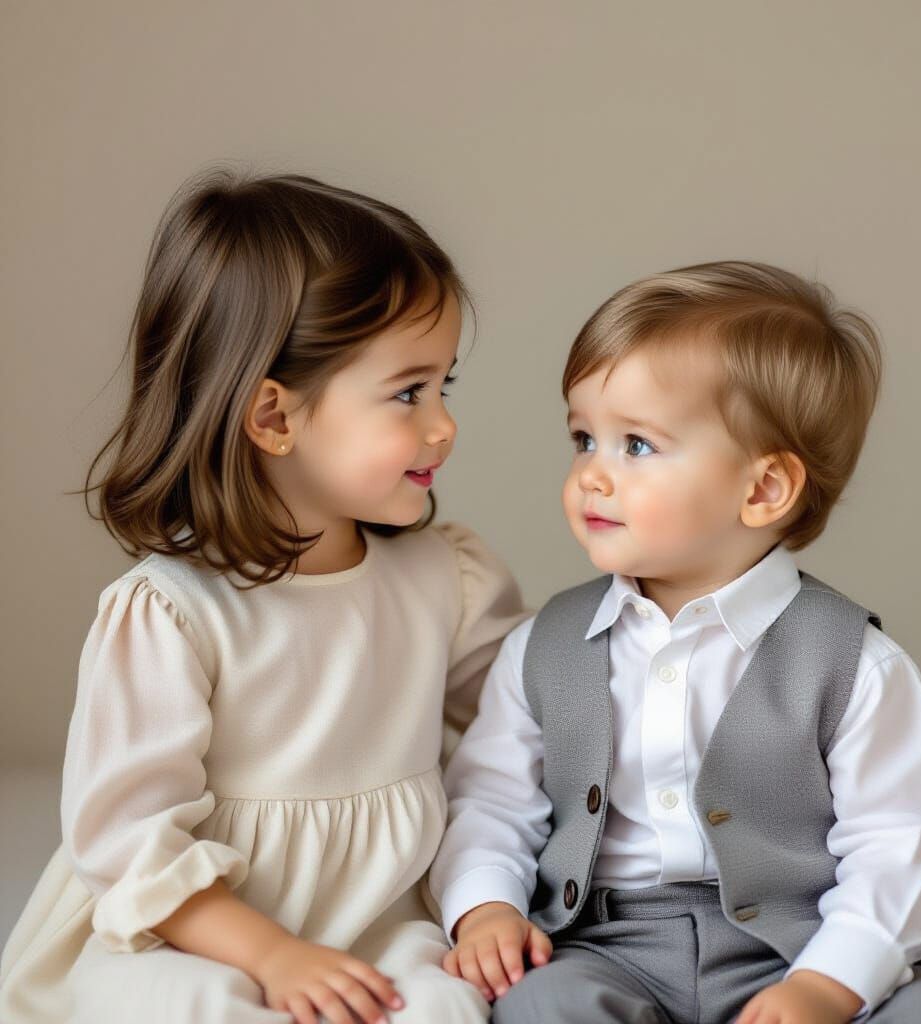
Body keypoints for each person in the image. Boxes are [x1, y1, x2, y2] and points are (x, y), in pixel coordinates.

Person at [0, 170, 528, 1024]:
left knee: (442, 1007)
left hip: (380, 918)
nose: (443, 425)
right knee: (181, 1006)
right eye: (407, 392)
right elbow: (128, 843)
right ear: (274, 418)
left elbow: (539, 711)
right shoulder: (172, 612)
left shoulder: (446, 578)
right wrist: (273, 956)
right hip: (198, 926)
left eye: (444, 387)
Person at [429, 262, 921, 1023]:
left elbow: (900, 845)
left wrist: (827, 986)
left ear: (762, 489)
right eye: (583, 438)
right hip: (604, 942)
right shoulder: (544, 646)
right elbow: (494, 803)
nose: (592, 475)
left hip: (802, 942)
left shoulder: (853, 664)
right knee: (541, 1008)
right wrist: (486, 908)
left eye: (636, 445)